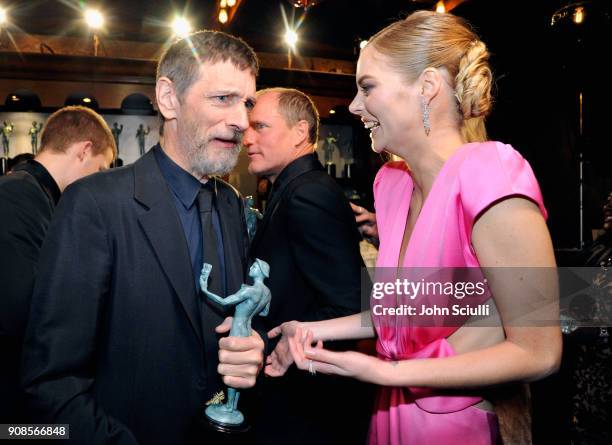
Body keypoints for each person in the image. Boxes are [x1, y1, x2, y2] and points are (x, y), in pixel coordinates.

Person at [270, 11, 561, 445]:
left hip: (452, 426)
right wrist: (312, 329)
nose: (352, 106)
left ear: (427, 87)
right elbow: (405, 314)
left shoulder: (491, 174)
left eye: (367, 87)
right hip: (389, 414)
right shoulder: (392, 185)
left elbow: (539, 351)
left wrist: (386, 372)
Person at [21, 31, 264, 444]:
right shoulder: (94, 204)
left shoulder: (230, 205)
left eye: (247, 103)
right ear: (169, 98)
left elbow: (219, 326)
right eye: (223, 99)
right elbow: (50, 384)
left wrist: (248, 348)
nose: (242, 121)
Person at [243, 87, 371, 444]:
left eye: (260, 127)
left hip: (306, 402)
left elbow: (353, 306)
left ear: (300, 132)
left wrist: (272, 346)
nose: (247, 139)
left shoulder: (308, 193)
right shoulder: (295, 186)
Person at [0, 106, 116, 422]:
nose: (102, 181)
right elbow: (22, 309)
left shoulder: (38, 197)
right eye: (102, 168)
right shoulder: (16, 194)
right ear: (84, 150)